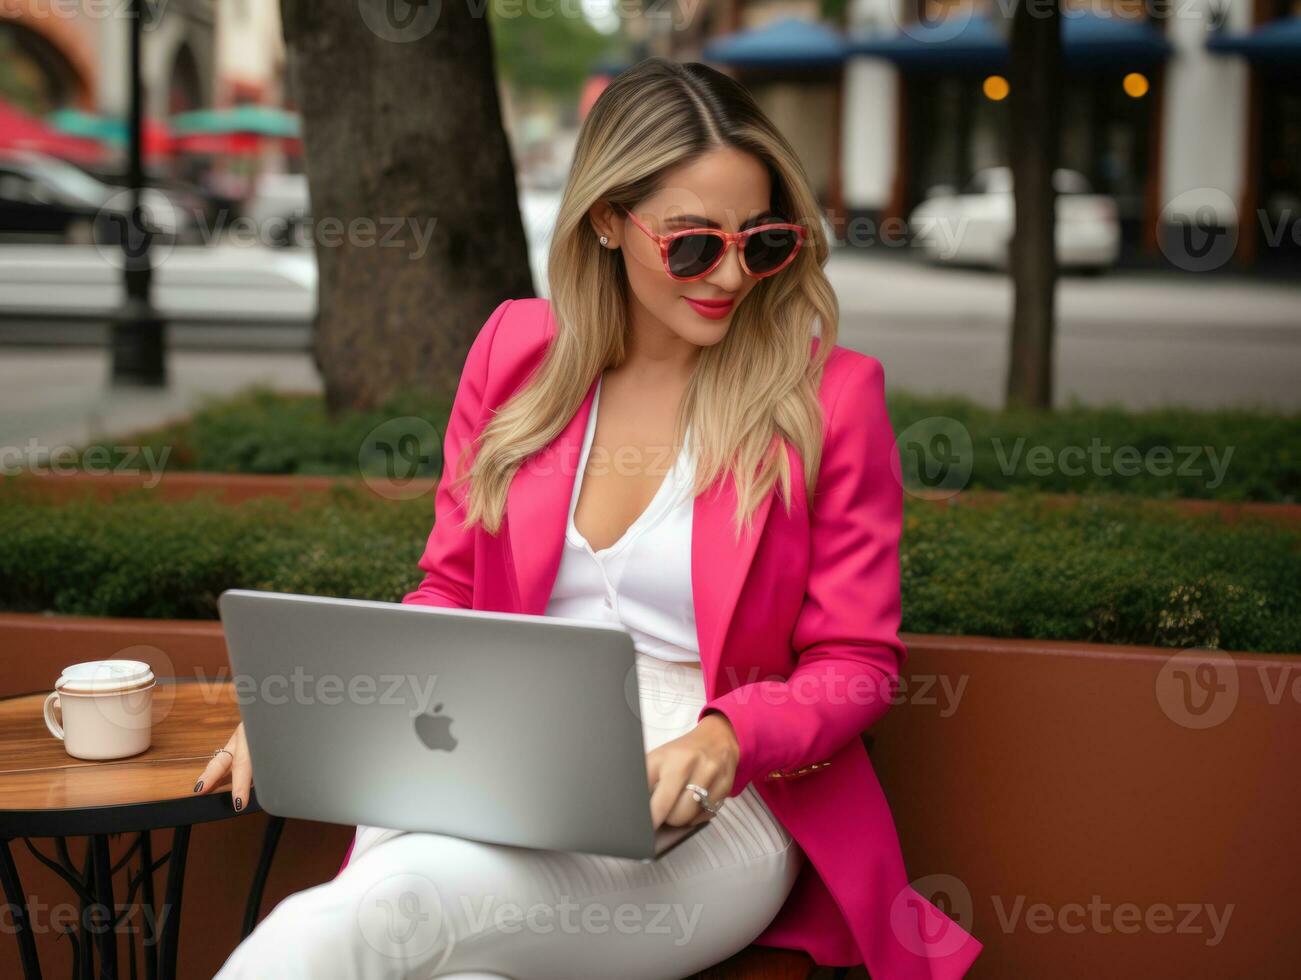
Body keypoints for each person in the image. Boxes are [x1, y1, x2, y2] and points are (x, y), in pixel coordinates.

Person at [200, 57, 982, 980]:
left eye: (760, 241)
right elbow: (449, 586)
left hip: (716, 803)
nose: (730, 275)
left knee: (363, 920)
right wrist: (327, 708)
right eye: (692, 244)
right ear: (608, 220)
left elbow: (856, 665)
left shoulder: (828, 397)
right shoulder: (516, 351)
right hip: (496, 758)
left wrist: (727, 736)